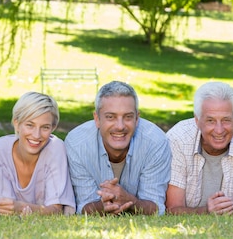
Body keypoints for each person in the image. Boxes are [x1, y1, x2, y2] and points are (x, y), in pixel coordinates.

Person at [65, 81, 171, 215]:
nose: (120, 126)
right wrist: (104, 205)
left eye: (128, 117)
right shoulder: (77, 144)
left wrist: (130, 202)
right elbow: (84, 206)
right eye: (110, 117)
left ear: (137, 119)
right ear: (97, 119)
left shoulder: (155, 142)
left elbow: (156, 208)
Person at [165, 81, 233, 215]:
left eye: (226, 120)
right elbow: (172, 209)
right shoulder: (177, 139)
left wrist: (230, 210)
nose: (219, 130)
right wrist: (206, 211)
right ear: (197, 121)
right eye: (210, 121)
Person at [0, 92, 75, 215]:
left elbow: (56, 210)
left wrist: (20, 207)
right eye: (30, 125)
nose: (36, 135)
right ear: (16, 123)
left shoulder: (55, 148)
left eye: (45, 127)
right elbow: (3, 207)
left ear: (53, 128)